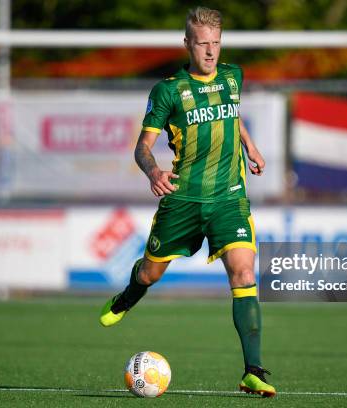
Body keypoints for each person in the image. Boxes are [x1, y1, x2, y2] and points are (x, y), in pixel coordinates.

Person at [99, 6, 275, 397]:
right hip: (183, 200)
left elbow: (232, 115)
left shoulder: (233, 76)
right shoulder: (168, 90)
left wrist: (250, 146)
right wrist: (154, 172)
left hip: (229, 197)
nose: (210, 52)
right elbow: (142, 147)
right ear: (187, 44)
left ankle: (254, 370)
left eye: (216, 43)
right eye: (202, 44)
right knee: (150, 274)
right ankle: (128, 297)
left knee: (244, 274)